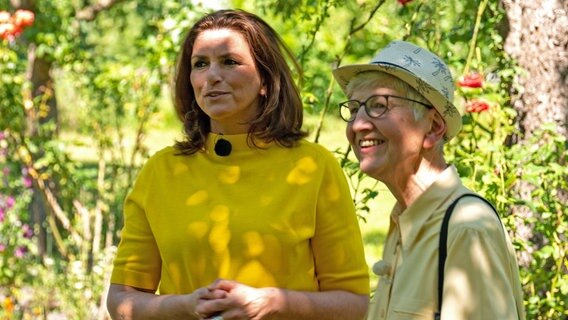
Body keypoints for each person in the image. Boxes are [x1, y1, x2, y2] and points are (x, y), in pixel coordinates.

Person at [106, 9, 370, 320]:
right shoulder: (161, 172)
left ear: (265, 80)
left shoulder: (314, 167)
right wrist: (186, 306)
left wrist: (272, 303)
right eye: (200, 64)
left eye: (229, 61)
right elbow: (122, 299)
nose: (211, 76)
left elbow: (355, 304)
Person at [332, 40, 525, 319]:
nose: (358, 125)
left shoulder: (466, 228)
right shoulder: (405, 220)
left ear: (433, 128)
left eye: (378, 105)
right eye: (353, 110)